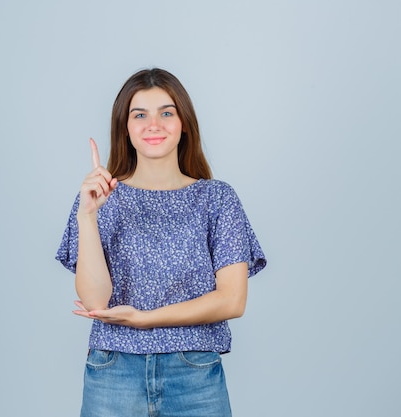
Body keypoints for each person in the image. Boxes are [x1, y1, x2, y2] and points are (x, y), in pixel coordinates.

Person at [56, 68, 266, 417]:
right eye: (140, 115)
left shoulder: (216, 199)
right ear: (125, 126)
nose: (154, 124)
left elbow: (232, 299)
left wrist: (146, 319)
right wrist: (87, 215)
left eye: (166, 112)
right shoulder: (100, 198)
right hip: (113, 371)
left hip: (194, 374)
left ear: (184, 123)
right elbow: (95, 301)